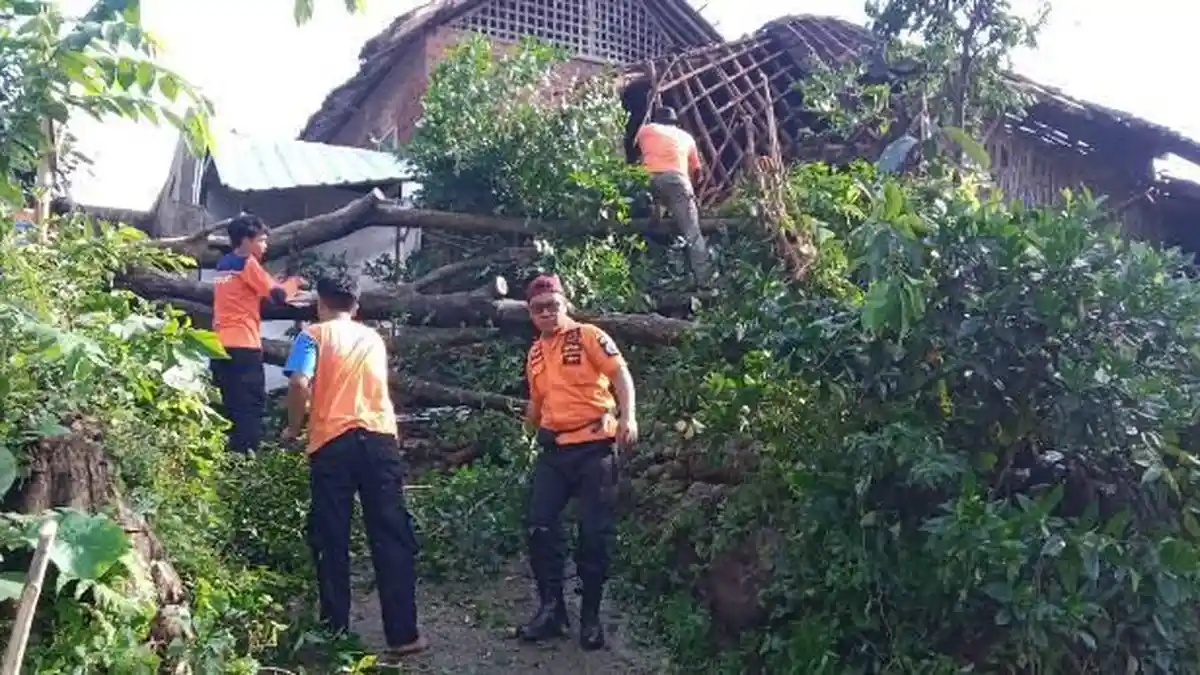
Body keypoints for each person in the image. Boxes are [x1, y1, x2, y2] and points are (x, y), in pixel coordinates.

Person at [281, 271, 426, 661]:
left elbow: (298, 382)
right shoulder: (374, 338)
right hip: (380, 440)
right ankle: (403, 634)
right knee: (391, 534)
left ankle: (336, 633)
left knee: (332, 537)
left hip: (333, 442)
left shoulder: (312, 335)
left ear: (320, 303)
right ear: (356, 306)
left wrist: (294, 428)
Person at [516, 274, 638, 651]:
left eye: (553, 305)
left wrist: (629, 417)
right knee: (539, 526)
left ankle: (590, 617)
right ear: (530, 314)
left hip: (594, 447)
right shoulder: (535, 352)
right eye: (539, 309)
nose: (547, 313)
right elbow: (537, 403)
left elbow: (620, 374)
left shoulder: (587, 335)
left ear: (564, 304)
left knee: (594, 535)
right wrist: (525, 432)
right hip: (554, 451)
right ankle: (552, 609)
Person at [211, 213, 303, 453]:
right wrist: (293, 282)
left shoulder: (224, 266)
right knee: (250, 408)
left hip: (218, 345)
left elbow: (251, 288)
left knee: (228, 407)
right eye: (261, 239)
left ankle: (228, 462)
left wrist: (275, 281)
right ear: (245, 241)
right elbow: (279, 296)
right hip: (244, 347)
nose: (265, 245)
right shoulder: (248, 263)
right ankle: (247, 464)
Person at [633, 106, 712, 287]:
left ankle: (648, 275)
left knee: (647, 224)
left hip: (648, 180)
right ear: (675, 123)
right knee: (692, 233)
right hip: (677, 181)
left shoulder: (646, 130)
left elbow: (636, 149)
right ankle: (705, 281)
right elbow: (698, 173)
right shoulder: (687, 138)